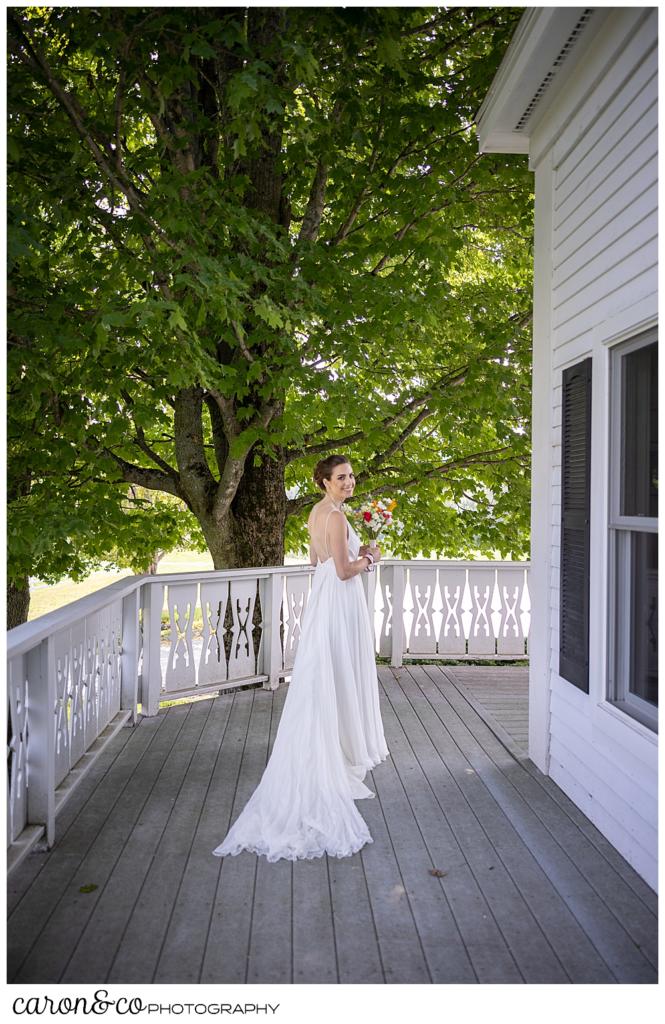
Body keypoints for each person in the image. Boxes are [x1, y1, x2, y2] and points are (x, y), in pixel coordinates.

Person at [212, 454, 390, 861]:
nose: (349, 481)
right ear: (324, 481)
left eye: (351, 475)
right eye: (341, 477)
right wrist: (369, 558)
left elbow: (317, 562)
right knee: (337, 672)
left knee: (326, 675)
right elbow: (344, 572)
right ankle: (336, 757)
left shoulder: (316, 513)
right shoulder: (337, 517)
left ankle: (334, 748)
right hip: (340, 600)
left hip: (326, 602)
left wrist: (352, 556)